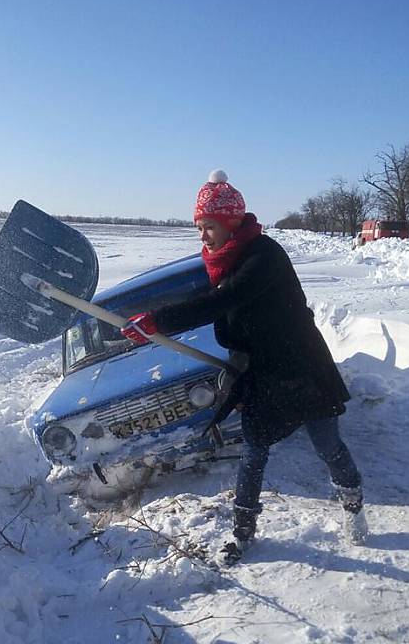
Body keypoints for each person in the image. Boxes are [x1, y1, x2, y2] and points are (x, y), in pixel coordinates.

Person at [121, 170, 368, 563]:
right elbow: (212, 298)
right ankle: (244, 532)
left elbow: (227, 299)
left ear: (231, 222)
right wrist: (149, 318)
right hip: (262, 372)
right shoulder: (223, 261)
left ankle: (353, 507)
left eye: (209, 226)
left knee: (327, 445)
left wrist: (160, 322)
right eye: (199, 227)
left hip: (302, 367)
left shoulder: (264, 255)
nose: (202, 236)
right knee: (254, 451)